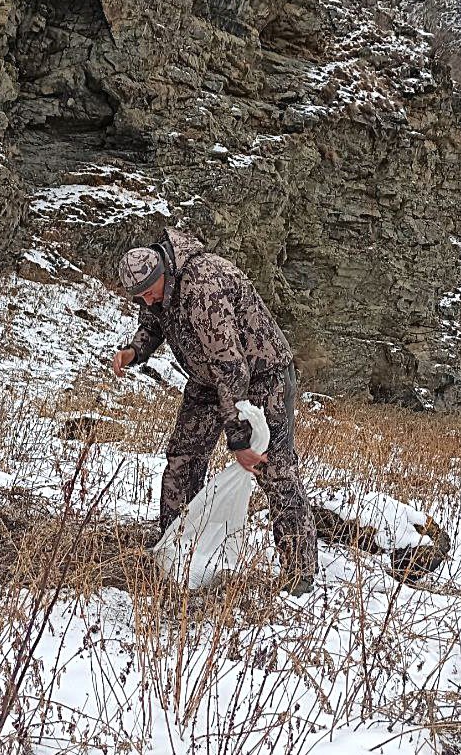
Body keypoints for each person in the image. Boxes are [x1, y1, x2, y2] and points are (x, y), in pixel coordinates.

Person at [112, 227, 318, 595]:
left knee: (272, 467)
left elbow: (231, 366)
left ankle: (299, 574)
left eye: (148, 292)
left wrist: (237, 437)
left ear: (164, 272)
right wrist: (135, 351)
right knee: (183, 457)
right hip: (210, 378)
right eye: (138, 297)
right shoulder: (161, 290)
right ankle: (175, 550)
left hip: (262, 376)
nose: (146, 301)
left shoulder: (204, 286)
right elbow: (156, 319)